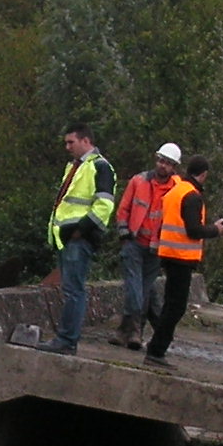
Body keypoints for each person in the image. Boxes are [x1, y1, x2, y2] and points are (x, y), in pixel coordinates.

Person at [39, 124, 116, 353]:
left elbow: (105, 205)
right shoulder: (76, 167)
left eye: (71, 142)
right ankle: (65, 339)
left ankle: (67, 340)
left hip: (78, 239)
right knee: (71, 289)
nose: (67, 147)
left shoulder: (100, 167)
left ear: (86, 141)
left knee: (74, 290)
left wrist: (80, 230)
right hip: (68, 238)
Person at [144, 155, 223, 366]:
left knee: (171, 304)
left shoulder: (175, 191)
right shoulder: (192, 195)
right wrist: (215, 230)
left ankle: (155, 347)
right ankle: (156, 350)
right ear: (204, 174)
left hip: (168, 252)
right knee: (176, 306)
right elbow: (193, 230)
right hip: (181, 257)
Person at [114, 142, 181, 348]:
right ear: (156, 159)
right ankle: (134, 331)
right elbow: (124, 208)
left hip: (156, 249)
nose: (163, 166)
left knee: (142, 289)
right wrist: (123, 230)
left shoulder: (176, 191)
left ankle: (127, 331)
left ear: (174, 167)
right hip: (134, 242)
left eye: (168, 163)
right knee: (136, 288)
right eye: (161, 160)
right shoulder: (139, 181)